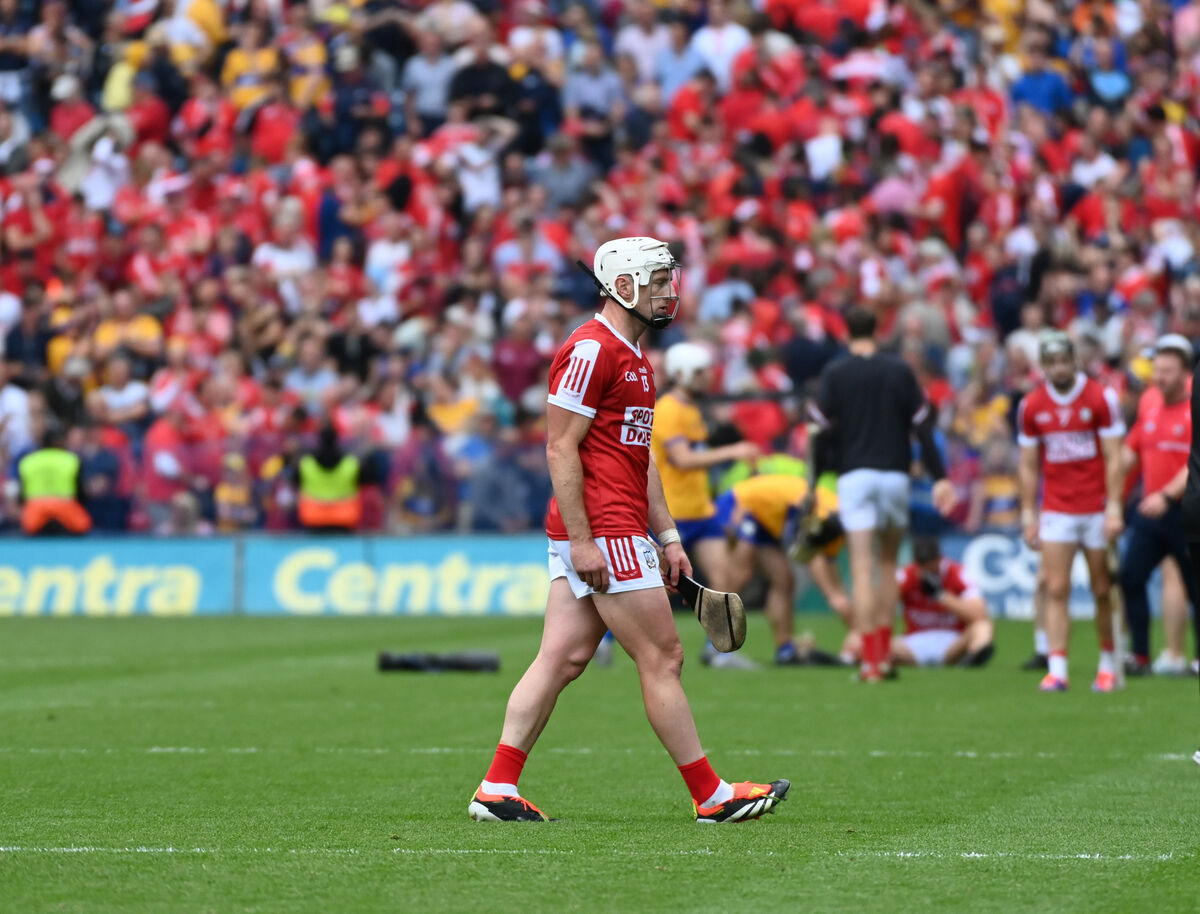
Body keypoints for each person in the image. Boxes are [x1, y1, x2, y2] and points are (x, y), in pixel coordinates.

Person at [469, 237, 788, 824]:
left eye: (670, 278)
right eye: (658, 280)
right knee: (663, 656)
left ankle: (496, 787)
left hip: (611, 530)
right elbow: (560, 448)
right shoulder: (591, 350)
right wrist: (587, 540)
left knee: (560, 660)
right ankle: (712, 796)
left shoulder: (635, 357)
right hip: (603, 533)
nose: (670, 290)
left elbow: (638, 458)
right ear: (623, 287)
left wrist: (667, 537)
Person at [807, 307, 957, 682]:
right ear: (879, 331)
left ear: (845, 332)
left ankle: (870, 662)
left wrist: (814, 483)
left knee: (861, 568)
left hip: (854, 474)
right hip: (895, 474)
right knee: (889, 565)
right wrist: (940, 476)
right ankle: (886, 657)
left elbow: (818, 430)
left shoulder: (836, 372)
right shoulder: (899, 371)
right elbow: (924, 424)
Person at [1018, 331, 1125, 692]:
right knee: (1056, 587)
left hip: (1095, 507)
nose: (1059, 368)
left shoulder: (1100, 398)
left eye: (1065, 361)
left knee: (1101, 589)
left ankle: (1108, 663)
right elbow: (1029, 465)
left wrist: (1113, 508)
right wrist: (1028, 514)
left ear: (1074, 360)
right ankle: (1057, 668)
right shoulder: (1031, 406)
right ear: (1044, 367)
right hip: (1057, 508)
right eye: (1052, 363)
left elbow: (1114, 458)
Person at [650, 340, 759, 668]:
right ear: (681, 374)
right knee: (647, 587)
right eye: (700, 371)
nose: (708, 376)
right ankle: (607, 640)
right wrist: (734, 451)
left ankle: (717, 652)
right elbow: (682, 459)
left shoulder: (692, 409)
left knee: (726, 575)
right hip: (673, 512)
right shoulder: (668, 409)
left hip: (701, 509)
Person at [1118, 335, 1200, 676]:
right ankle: (1139, 655)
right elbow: (1130, 451)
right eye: (1156, 370)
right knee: (1129, 577)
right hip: (1152, 512)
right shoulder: (1149, 403)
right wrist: (1107, 493)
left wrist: (1167, 495)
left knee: (1195, 587)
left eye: (1167, 371)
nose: (1159, 377)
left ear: (1186, 374)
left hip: (1186, 511)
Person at [715, 472, 847, 666]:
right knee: (739, 574)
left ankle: (785, 650)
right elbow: (813, 563)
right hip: (741, 503)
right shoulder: (824, 514)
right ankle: (715, 645)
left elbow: (829, 575)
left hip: (764, 519)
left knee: (784, 580)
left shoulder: (836, 520)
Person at [892, 537, 994, 668]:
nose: (927, 572)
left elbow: (979, 613)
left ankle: (971, 659)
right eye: (923, 567)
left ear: (939, 559)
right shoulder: (905, 575)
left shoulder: (958, 573)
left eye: (932, 567)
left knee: (983, 626)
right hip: (913, 643)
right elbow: (880, 610)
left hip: (952, 642)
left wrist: (941, 595)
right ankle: (873, 658)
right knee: (866, 638)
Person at [17, 424, 91, 536]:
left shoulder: (28, 461)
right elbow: (80, 492)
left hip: (35, 507)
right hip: (65, 505)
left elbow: (21, 494)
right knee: (83, 526)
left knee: (28, 528)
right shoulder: (71, 459)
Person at [296, 422, 363, 533]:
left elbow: (295, 481)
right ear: (337, 440)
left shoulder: (306, 464)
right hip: (345, 518)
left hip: (313, 518)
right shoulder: (351, 464)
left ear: (319, 440)